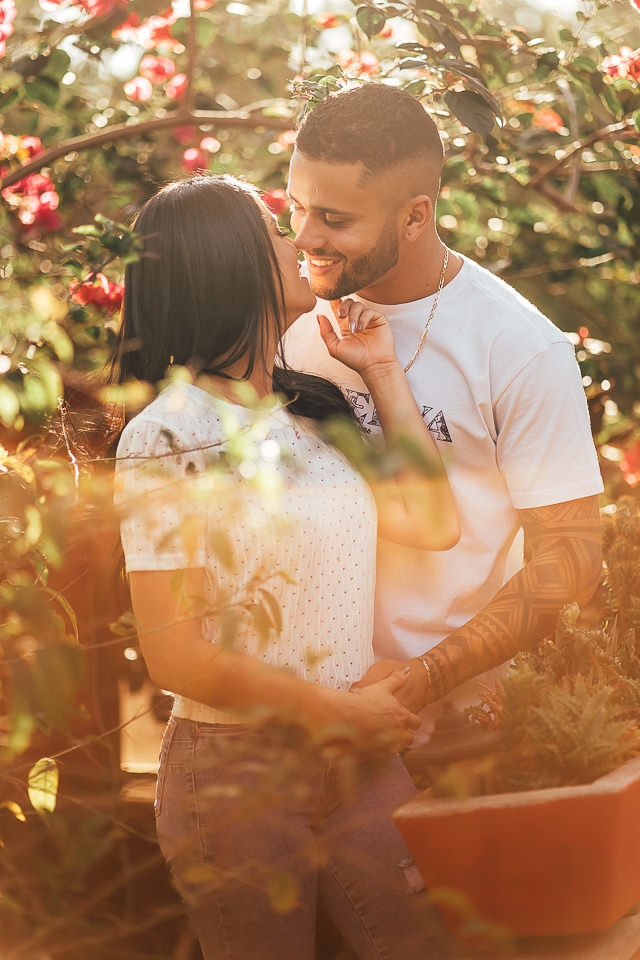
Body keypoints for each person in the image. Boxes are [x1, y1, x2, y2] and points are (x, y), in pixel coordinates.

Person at [113, 174, 458, 959]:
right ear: (224, 261)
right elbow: (175, 653)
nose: (299, 240)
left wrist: (382, 371)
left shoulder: (313, 411)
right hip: (236, 775)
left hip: (357, 758)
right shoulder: (168, 436)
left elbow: (434, 522)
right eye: (276, 228)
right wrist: (340, 712)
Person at [282, 82, 604, 724]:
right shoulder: (291, 318)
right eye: (296, 208)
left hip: (456, 728)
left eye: (336, 220)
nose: (306, 237)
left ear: (415, 216)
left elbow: (571, 555)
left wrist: (427, 677)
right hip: (302, 715)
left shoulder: (517, 346)